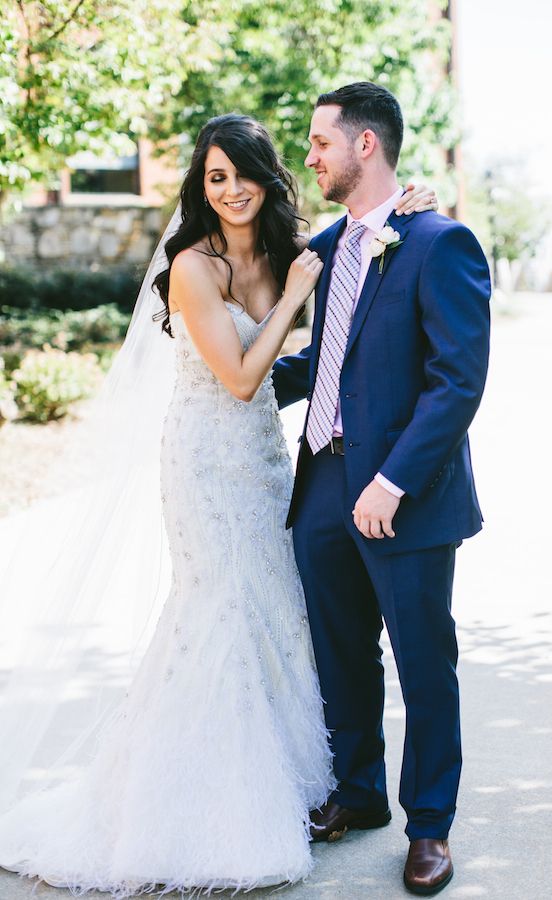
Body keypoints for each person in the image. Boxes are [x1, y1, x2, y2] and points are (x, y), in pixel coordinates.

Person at [0, 113, 437, 895]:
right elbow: (240, 379)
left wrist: (408, 203)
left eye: (242, 173)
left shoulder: (290, 254)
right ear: (201, 190)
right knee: (219, 610)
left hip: (266, 462)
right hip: (204, 462)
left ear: (268, 179)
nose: (230, 190)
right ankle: (192, 806)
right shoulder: (190, 268)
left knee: (276, 609)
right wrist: (293, 298)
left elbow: (367, 240)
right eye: (214, 177)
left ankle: (293, 785)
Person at [273, 82, 491, 896]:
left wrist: (393, 482)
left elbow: (456, 382)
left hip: (404, 494)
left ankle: (428, 826)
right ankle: (358, 794)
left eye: (320, 141)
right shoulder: (330, 247)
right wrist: (226, 383)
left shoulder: (441, 242)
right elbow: (327, 362)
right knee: (341, 656)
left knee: (424, 661)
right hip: (322, 482)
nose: (310, 156)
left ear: (365, 145)